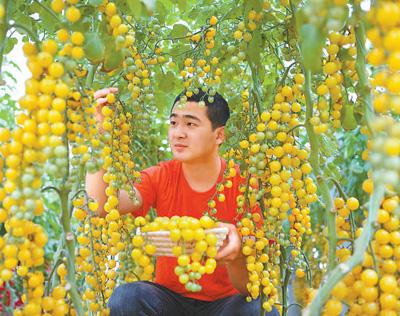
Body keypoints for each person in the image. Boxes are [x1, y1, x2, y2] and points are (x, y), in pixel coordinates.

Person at [86, 88, 280, 316]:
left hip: (225, 307)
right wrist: (98, 135)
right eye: (173, 123)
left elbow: (248, 287)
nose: (178, 133)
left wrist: (236, 256)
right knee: (127, 298)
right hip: (169, 303)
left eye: (190, 124)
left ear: (219, 135)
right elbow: (99, 205)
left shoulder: (244, 187)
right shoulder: (161, 176)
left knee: (259, 309)